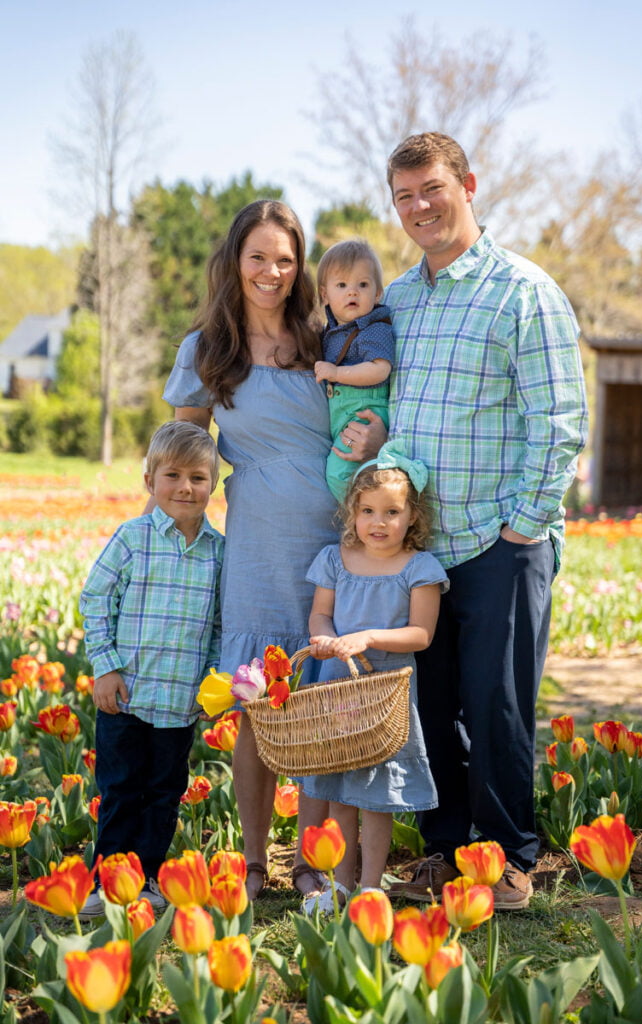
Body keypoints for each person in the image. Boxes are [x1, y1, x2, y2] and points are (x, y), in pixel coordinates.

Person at [341, 132, 588, 910]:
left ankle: (510, 858)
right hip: (418, 547)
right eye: (404, 196)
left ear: (468, 184)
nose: (419, 207)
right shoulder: (400, 302)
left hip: (497, 540)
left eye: (432, 189)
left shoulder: (523, 291)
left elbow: (558, 418)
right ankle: (448, 852)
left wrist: (525, 524)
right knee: (425, 704)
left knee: (496, 703)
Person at [162, 200, 338, 900]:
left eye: (286, 259)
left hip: (337, 546)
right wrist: (161, 544)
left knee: (326, 708)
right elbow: (181, 456)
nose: (272, 271)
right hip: (260, 545)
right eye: (259, 256)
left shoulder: (328, 340)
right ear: (235, 260)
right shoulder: (207, 348)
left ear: (301, 267)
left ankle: (315, 861)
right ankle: (257, 862)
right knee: (258, 707)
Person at [79, 420, 224, 920]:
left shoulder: (219, 553)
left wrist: (212, 687)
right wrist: (105, 667)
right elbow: (95, 599)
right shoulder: (132, 538)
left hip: (179, 701)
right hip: (126, 695)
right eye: (173, 475)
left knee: (164, 792)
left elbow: (221, 627)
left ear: (214, 483)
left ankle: (146, 879)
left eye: (199, 477)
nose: (186, 487)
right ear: (150, 481)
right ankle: (106, 880)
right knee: (119, 788)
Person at [300, 441, 448, 913]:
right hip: (337, 685)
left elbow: (421, 633)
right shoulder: (335, 559)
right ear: (352, 513)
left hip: (386, 692)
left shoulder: (418, 568)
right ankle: (340, 886)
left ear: (411, 517)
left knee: (376, 795)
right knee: (341, 790)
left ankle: (369, 887)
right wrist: (325, 639)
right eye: (367, 511)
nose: (378, 523)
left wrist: (365, 637)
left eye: (391, 512)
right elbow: (320, 617)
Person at [314, 238, 394, 501]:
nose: (353, 292)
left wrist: (336, 374)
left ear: (378, 293)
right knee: (352, 473)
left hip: (364, 413)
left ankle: (359, 523)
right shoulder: (332, 332)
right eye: (342, 285)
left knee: (338, 475)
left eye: (363, 284)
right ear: (325, 294)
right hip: (344, 416)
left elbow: (379, 370)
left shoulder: (373, 328)